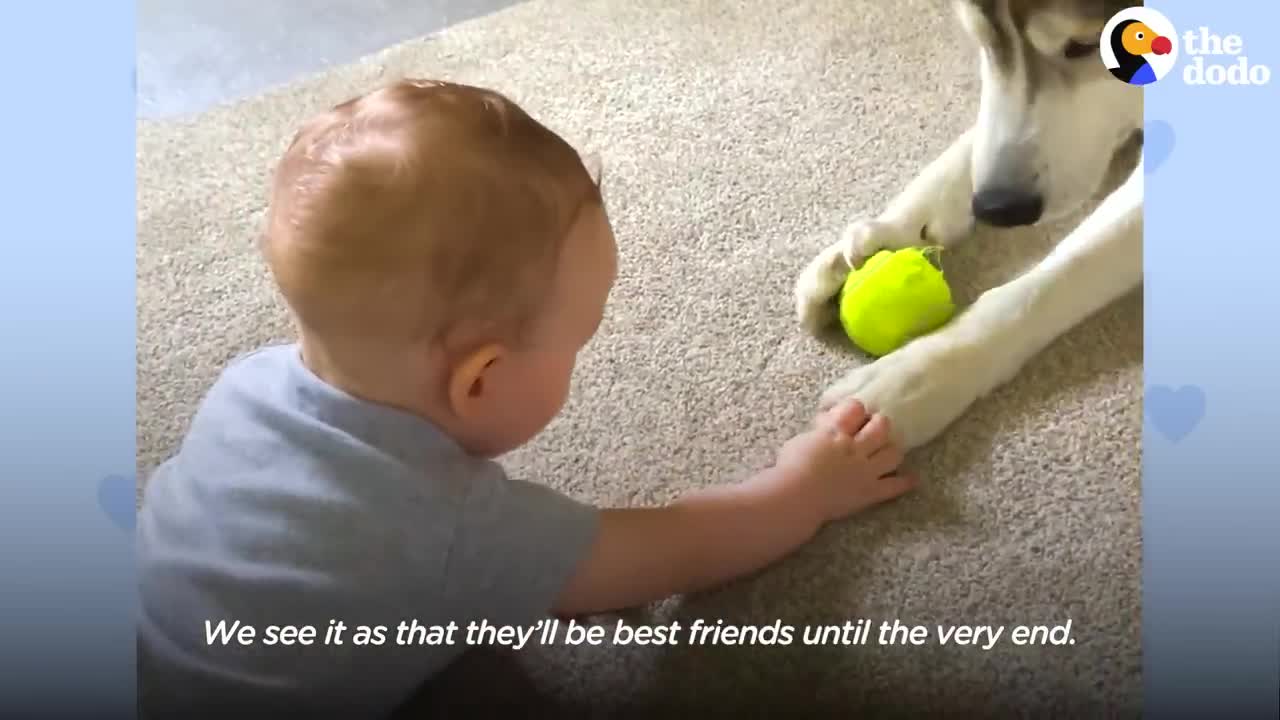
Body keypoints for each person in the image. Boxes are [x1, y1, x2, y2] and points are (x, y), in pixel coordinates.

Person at [136, 79, 916, 718]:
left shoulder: (245, 386)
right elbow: (676, 548)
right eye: (576, 342)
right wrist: (809, 487)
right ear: (479, 380)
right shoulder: (452, 525)